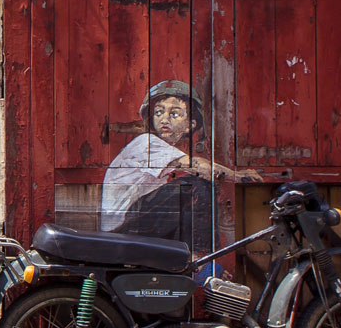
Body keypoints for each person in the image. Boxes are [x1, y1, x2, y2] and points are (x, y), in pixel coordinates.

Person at [100, 80, 259, 256]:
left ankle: (186, 257)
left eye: (175, 114)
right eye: (159, 112)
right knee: (196, 186)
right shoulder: (146, 143)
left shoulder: (160, 149)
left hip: (132, 226)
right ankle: (200, 258)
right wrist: (238, 176)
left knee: (182, 199)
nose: (164, 119)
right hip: (121, 231)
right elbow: (197, 166)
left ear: (190, 125)